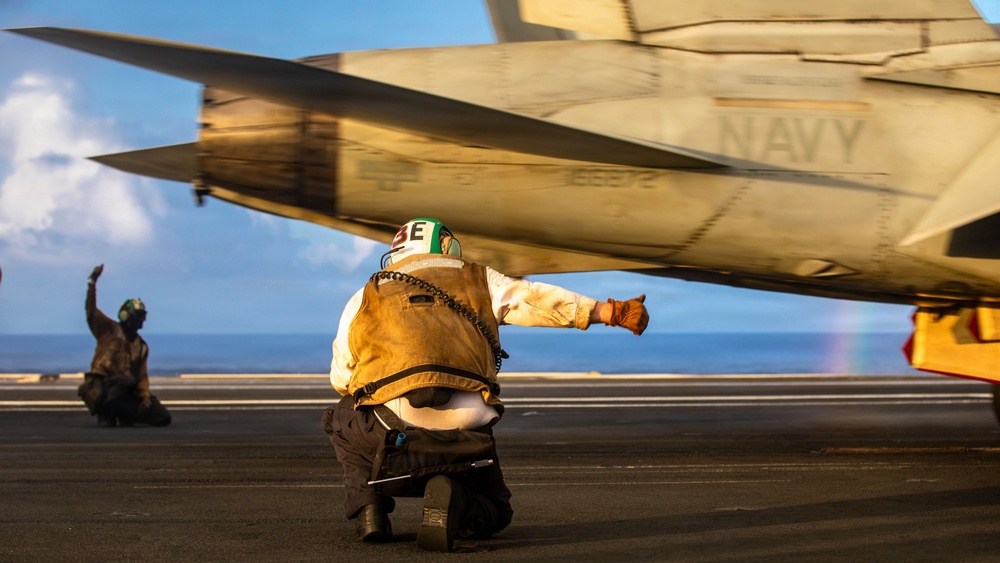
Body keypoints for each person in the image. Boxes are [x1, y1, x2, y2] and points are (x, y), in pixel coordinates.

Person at [322, 218, 648, 552]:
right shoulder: (479, 278)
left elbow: (341, 378)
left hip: (393, 430)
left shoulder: (365, 295)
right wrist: (612, 312)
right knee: (495, 512)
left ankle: (370, 510)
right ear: (446, 245)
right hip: (469, 431)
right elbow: (534, 299)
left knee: (340, 415)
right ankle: (458, 499)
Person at [78, 264, 171, 427]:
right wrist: (92, 284)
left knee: (162, 417)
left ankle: (124, 412)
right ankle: (106, 411)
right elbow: (91, 311)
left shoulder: (141, 346)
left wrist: (145, 396)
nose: (141, 321)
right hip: (103, 386)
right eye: (138, 316)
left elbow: (142, 375)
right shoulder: (108, 330)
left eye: (142, 317)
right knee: (126, 382)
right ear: (126, 315)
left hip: (128, 389)